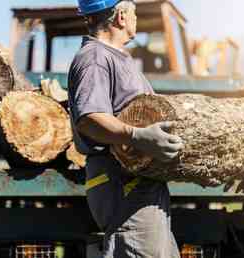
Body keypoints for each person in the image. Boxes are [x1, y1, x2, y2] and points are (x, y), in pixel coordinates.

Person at [68, 0, 184, 257]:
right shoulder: (95, 58)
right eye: (133, 12)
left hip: (138, 184)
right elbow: (89, 117)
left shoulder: (115, 57)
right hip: (121, 183)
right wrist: (137, 135)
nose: (135, 18)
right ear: (120, 16)